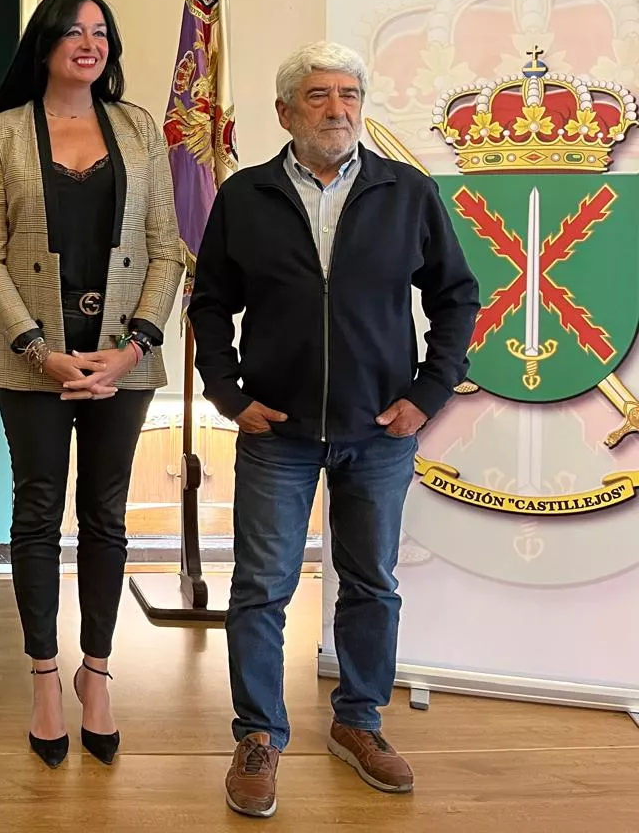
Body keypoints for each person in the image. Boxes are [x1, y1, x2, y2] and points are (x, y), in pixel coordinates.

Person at [188, 42, 478, 820]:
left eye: (350, 94)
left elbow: (457, 297)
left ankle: (359, 722)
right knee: (260, 591)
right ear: (286, 111)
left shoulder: (406, 191)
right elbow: (210, 303)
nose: (338, 108)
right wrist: (225, 391)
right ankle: (258, 736)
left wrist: (429, 392)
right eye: (319, 95)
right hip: (276, 431)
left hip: (380, 433)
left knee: (373, 584)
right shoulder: (245, 196)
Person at [0, 0, 183, 769]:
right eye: (73, 31)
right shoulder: (0, 133)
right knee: (36, 512)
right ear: (46, 43)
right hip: (33, 360)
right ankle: (44, 679)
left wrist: (130, 351)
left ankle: (98, 674)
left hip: (124, 357)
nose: (89, 44)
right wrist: (39, 350)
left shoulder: (137, 128)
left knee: (106, 516)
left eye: (101, 32)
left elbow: (167, 247)